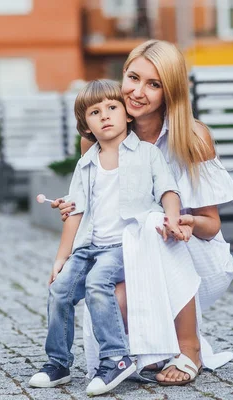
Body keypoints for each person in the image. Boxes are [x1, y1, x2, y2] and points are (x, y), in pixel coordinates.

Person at [53, 40, 233, 385]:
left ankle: (189, 349)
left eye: (153, 85)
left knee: (155, 222)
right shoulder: (98, 135)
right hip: (128, 251)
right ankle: (146, 353)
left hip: (192, 251)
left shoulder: (192, 138)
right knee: (111, 299)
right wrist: (73, 207)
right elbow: (97, 204)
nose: (138, 92)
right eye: (133, 77)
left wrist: (185, 220)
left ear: (169, 92)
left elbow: (211, 226)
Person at [28, 79, 186, 396]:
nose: (105, 115)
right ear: (85, 125)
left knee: (98, 283)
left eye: (112, 107)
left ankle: (116, 358)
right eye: (95, 112)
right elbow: (75, 213)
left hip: (126, 245)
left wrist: (172, 220)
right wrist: (62, 257)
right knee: (60, 289)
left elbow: (168, 190)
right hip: (91, 247)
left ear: (127, 114)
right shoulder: (86, 164)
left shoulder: (147, 155)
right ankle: (58, 363)